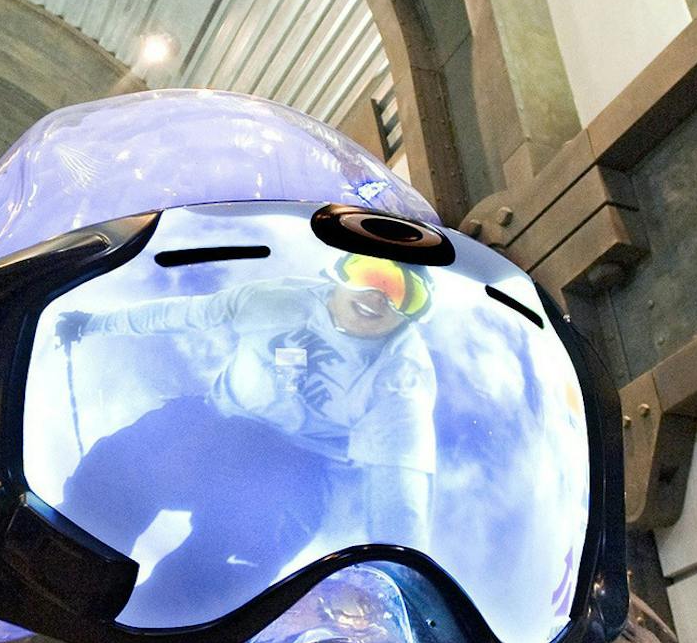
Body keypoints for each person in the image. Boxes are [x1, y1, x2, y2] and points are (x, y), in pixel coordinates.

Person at [55, 254, 436, 623]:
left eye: (403, 293)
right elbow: (184, 315)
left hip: (295, 469)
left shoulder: (401, 376)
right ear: (340, 273)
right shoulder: (275, 300)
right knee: (114, 478)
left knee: (214, 582)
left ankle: (153, 636)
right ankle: (62, 585)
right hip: (217, 425)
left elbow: (399, 485)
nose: (377, 297)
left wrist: (399, 587)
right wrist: (92, 324)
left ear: (414, 312)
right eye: (370, 274)